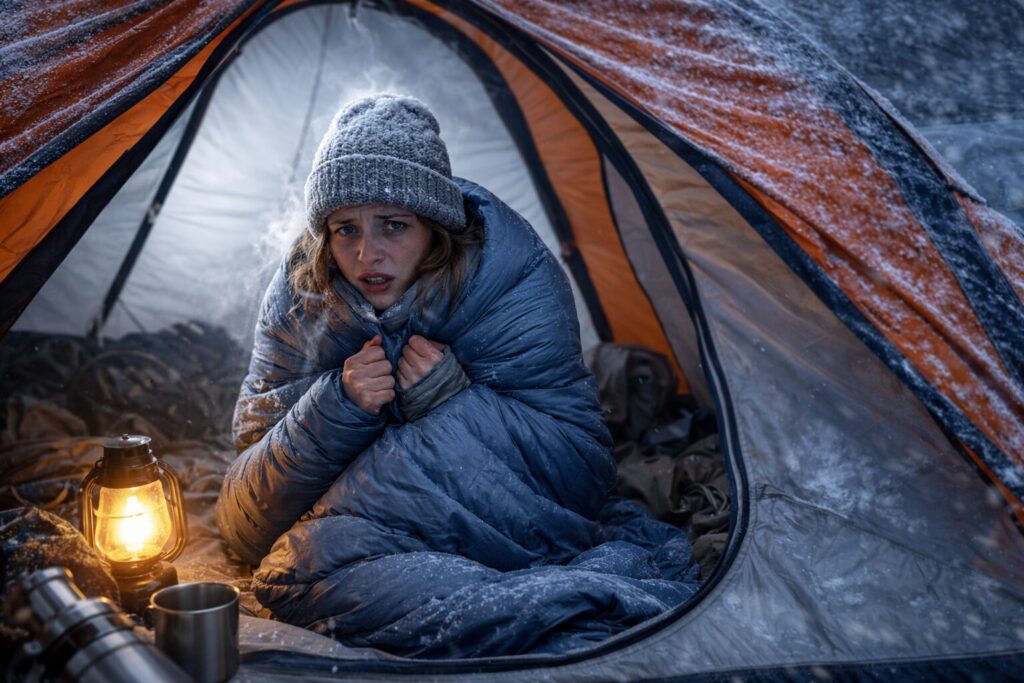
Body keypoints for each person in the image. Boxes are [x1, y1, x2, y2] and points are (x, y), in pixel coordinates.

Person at [215, 94, 699, 657]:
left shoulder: (512, 278)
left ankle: (511, 603)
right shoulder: (302, 298)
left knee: (302, 569)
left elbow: (580, 473)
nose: (367, 253)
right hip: (377, 528)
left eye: (393, 225)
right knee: (297, 565)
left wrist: (450, 401)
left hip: (485, 512)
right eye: (345, 230)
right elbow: (244, 512)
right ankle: (521, 606)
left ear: (435, 226)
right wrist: (336, 406)